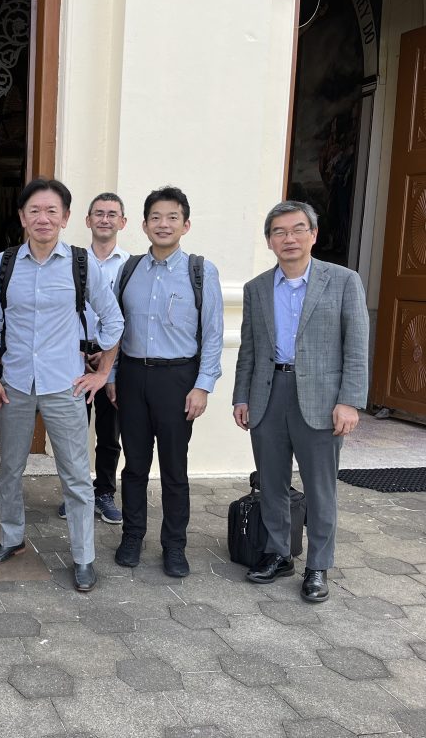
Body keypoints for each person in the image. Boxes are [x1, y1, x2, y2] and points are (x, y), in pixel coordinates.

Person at [0, 178, 124, 593]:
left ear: (65, 217)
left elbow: (113, 319)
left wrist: (103, 372)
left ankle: (83, 557)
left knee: (75, 475)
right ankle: (12, 538)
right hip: (16, 384)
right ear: (22, 217)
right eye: (34, 211)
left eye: (51, 211)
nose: (43, 218)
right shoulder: (4, 264)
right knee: (10, 469)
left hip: (65, 385)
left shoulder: (81, 263)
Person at [234, 200, 369, 602]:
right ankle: (278, 553)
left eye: (297, 229)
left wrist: (349, 401)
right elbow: (249, 349)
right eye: (279, 231)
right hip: (268, 392)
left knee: (320, 487)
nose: (288, 238)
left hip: (322, 399)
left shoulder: (343, 281)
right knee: (271, 480)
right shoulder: (256, 288)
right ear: (269, 241)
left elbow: (356, 345)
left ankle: (318, 566)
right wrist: (241, 397)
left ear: (313, 235)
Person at [108, 186, 224, 578]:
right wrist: (112, 375)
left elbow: (213, 334)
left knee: (174, 469)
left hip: (178, 379)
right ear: (143, 225)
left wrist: (203, 385)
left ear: (185, 225)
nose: (163, 224)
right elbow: (116, 328)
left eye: (172, 217)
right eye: (155, 217)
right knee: (134, 466)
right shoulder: (129, 270)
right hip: (132, 376)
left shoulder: (201, 271)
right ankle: (132, 536)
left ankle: (174, 546)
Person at [58, 192, 130, 524]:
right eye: (98, 213)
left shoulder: (130, 266)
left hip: (112, 361)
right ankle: (75, 494)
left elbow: (129, 316)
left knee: (109, 434)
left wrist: (108, 358)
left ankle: (104, 493)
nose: (105, 219)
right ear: (87, 220)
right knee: (72, 433)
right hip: (74, 357)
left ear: (122, 222)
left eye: (112, 214)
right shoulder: (71, 262)